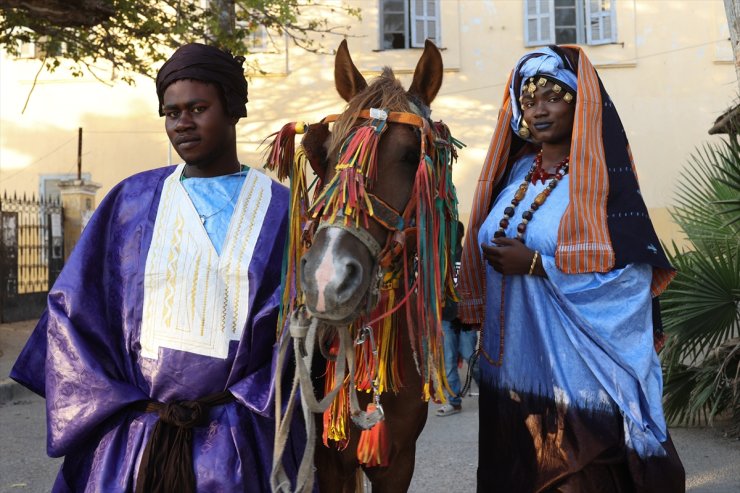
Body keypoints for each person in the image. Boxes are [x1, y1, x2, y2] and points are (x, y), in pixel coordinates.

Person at [10, 43, 304, 492]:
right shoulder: (130, 203)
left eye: (198, 108)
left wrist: (244, 409)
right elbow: (75, 311)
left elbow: (297, 334)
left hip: (241, 445)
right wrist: (116, 406)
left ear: (233, 109)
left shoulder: (283, 212)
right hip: (133, 445)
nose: (182, 123)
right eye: (171, 113)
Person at [458, 45, 685, 492]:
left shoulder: (600, 179)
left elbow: (631, 278)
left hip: (578, 378)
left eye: (553, 96)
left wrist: (539, 263)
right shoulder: (514, 174)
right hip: (514, 372)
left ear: (580, 100)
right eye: (528, 99)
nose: (539, 109)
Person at [436, 221, 478, 417]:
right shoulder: (439, 259)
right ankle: (454, 401)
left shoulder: (469, 257)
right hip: (446, 317)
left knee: (471, 355)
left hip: (466, 319)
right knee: (449, 359)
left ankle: (492, 393)